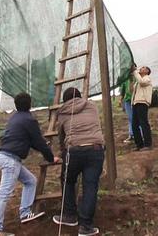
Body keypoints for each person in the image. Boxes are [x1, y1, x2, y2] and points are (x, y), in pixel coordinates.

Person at [0, 93, 61, 236]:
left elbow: (32, 141)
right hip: (10, 159)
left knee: (31, 181)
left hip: (5, 157)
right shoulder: (29, 120)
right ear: (30, 103)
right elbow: (39, 142)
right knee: (4, 193)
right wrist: (51, 158)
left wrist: (46, 152)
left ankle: (25, 213)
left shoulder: (15, 117)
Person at [52, 87, 104, 236]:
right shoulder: (92, 106)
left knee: (67, 180)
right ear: (80, 97)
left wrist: (63, 150)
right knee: (90, 186)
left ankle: (69, 215)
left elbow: (61, 135)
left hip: (73, 150)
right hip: (95, 149)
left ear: (65, 100)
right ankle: (86, 226)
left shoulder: (62, 112)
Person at [131, 65, 153, 151]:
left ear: (147, 71)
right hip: (136, 103)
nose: (141, 68)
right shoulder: (138, 80)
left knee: (144, 123)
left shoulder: (147, 78)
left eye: (143, 68)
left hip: (142, 103)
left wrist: (135, 72)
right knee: (134, 125)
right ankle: (139, 145)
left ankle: (148, 144)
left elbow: (142, 82)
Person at [119, 74, 136, 143]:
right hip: (128, 100)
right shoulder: (125, 80)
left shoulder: (137, 77)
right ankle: (132, 134)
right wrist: (121, 100)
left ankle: (140, 134)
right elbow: (123, 91)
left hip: (137, 99)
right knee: (130, 117)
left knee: (137, 117)